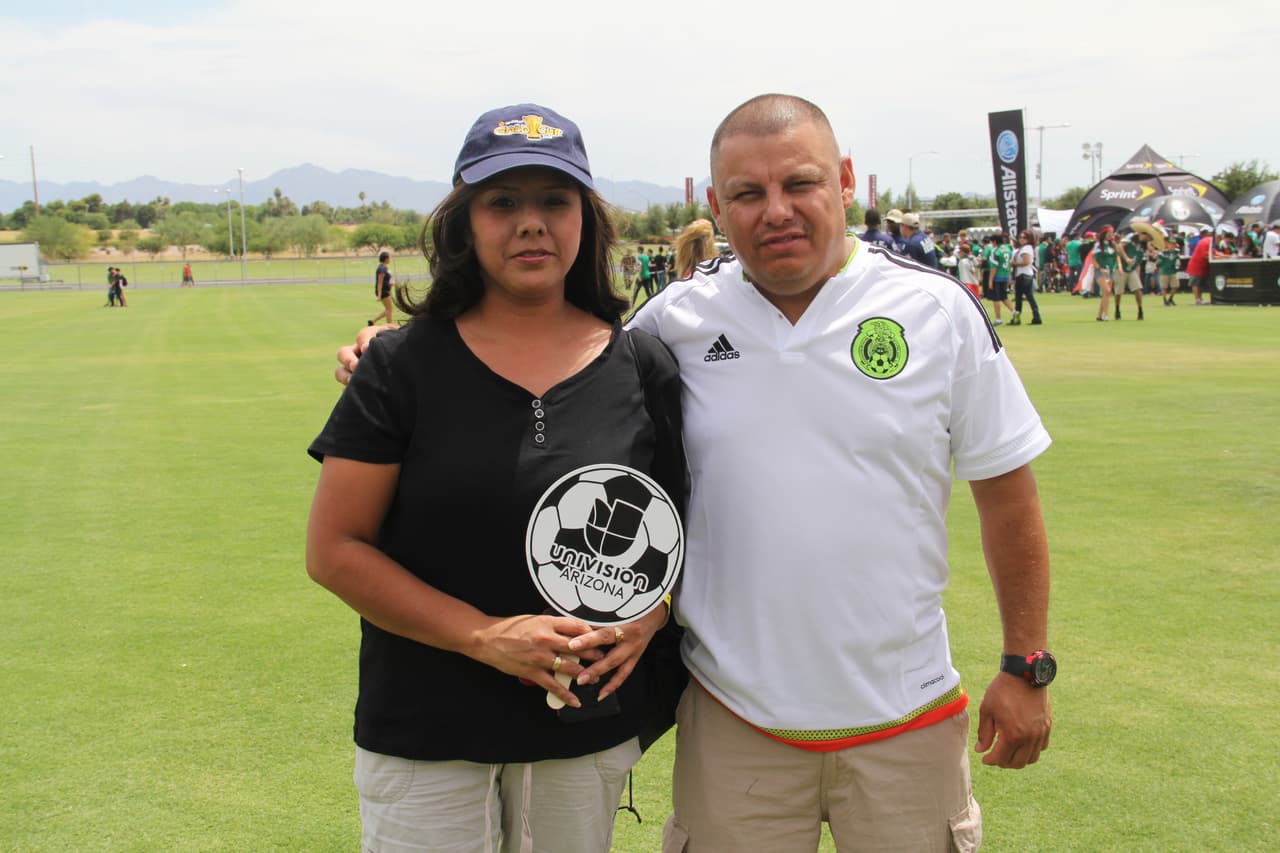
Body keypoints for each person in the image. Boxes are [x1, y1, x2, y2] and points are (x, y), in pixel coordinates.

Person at [340, 94, 1055, 853]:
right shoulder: (671, 324)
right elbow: (555, 376)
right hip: (732, 722)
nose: (776, 209)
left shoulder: (936, 311)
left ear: (845, 180)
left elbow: (1007, 494)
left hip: (907, 718)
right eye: (747, 193)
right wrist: (388, 357)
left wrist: (1025, 663)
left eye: (800, 183)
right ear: (717, 204)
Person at [308, 103, 688, 853]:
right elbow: (335, 550)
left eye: (555, 200)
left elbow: (692, 530)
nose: (531, 223)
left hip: (586, 732)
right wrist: (483, 635)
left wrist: (653, 610)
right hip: (425, 729)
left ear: (587, 219)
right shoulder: (399, 366)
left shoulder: (642, 366)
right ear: (463, 221)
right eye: (502, 201)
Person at [1011, 229, 1042, 325]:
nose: (1021, 239)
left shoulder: (1027, 248)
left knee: (1028, 297)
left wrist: (1014, 263)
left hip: (1025, 275)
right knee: (1020, 298)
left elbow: (1026, 262)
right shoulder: (1022, 248)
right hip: (1022, 275)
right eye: (1020, 237)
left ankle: (1036, 317)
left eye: (1024, 237)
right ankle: (1017, 317)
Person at [1092, 226, 1121, 321]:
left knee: (1106, 293)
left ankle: (1099, 315)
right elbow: (1093, 259)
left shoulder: (1112, 245)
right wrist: (1100, 268)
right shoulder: (1098, 245)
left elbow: (1116, 257)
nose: (1110, 235)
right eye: (1109, 233)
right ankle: (1106, 314)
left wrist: (1119, 267)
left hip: (1110, 271)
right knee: (1107, 290)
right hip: (1100, 271)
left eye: (1112, 234)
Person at [986, 232, 1015, 325]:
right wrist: (1009, 276)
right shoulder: (1007, 249)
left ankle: (998, 319)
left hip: (997, 277)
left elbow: (994, 267)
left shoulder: (995, 251)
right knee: (1004, 296)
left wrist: (990, 280)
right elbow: (1010, 263)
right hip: (1005, 275)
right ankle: (1014, 312)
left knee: (996, 298)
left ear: (994, 241)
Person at [1116, 233, 1146, 320]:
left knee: (1137, 289)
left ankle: (1140, 310)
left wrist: (1138, 273)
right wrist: (1126, 258)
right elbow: (1120, 247)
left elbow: (1138, 261)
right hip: (1122, 268)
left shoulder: (1142, 246)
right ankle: (1117, 309)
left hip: (1132, 269)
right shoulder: (1130, 238)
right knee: (1119, 291)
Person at [368, 251, 395, 327]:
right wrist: (379, 295)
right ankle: (389, 326)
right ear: (386, 259)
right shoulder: (382, 268)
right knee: (389, 309)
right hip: (383, 291)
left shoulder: (384, 267)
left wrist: (391, 284)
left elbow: (387, 279)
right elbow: (380, 282)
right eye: (389, 257)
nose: (390, 259)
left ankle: (372, 321)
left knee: (388, 309)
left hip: (386, 290)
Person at [1186, 227, 1212, 304]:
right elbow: (1205, 254)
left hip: (1201, 266)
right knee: (1196, 283)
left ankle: (1200, 299)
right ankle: (1197, 299)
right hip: (1196, 266)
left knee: (1200, 283)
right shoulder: (1205, 241)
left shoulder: (1205, 240)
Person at [1158, 236, 1182, 305]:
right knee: (1164, 287)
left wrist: (1177, 265)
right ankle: (1165, 300)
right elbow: (1159, 261)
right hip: (1164, 271)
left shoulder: (1177, 252)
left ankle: (1170, 298)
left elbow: (1178, 260)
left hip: (1173, 271)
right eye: (1171, 244)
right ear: (1168, 244)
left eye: (1173, 244)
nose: (1172, 245)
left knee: (1176, 286)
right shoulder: (1163, 252)